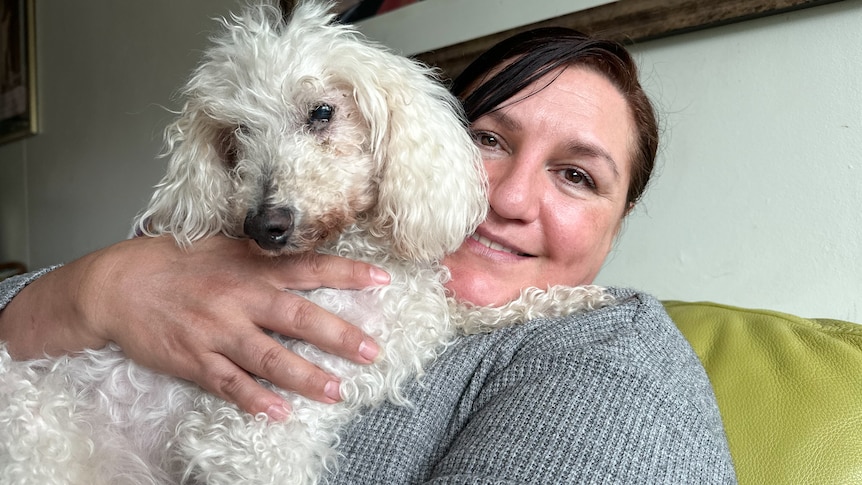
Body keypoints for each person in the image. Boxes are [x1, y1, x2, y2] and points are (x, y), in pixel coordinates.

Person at [0, 26, 736, 483]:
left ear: (620, 220)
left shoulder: (606, 357)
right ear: (425, 144)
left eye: (577, 175)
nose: (508, 198)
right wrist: (89, 290)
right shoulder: (268, 257)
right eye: (488, 139)